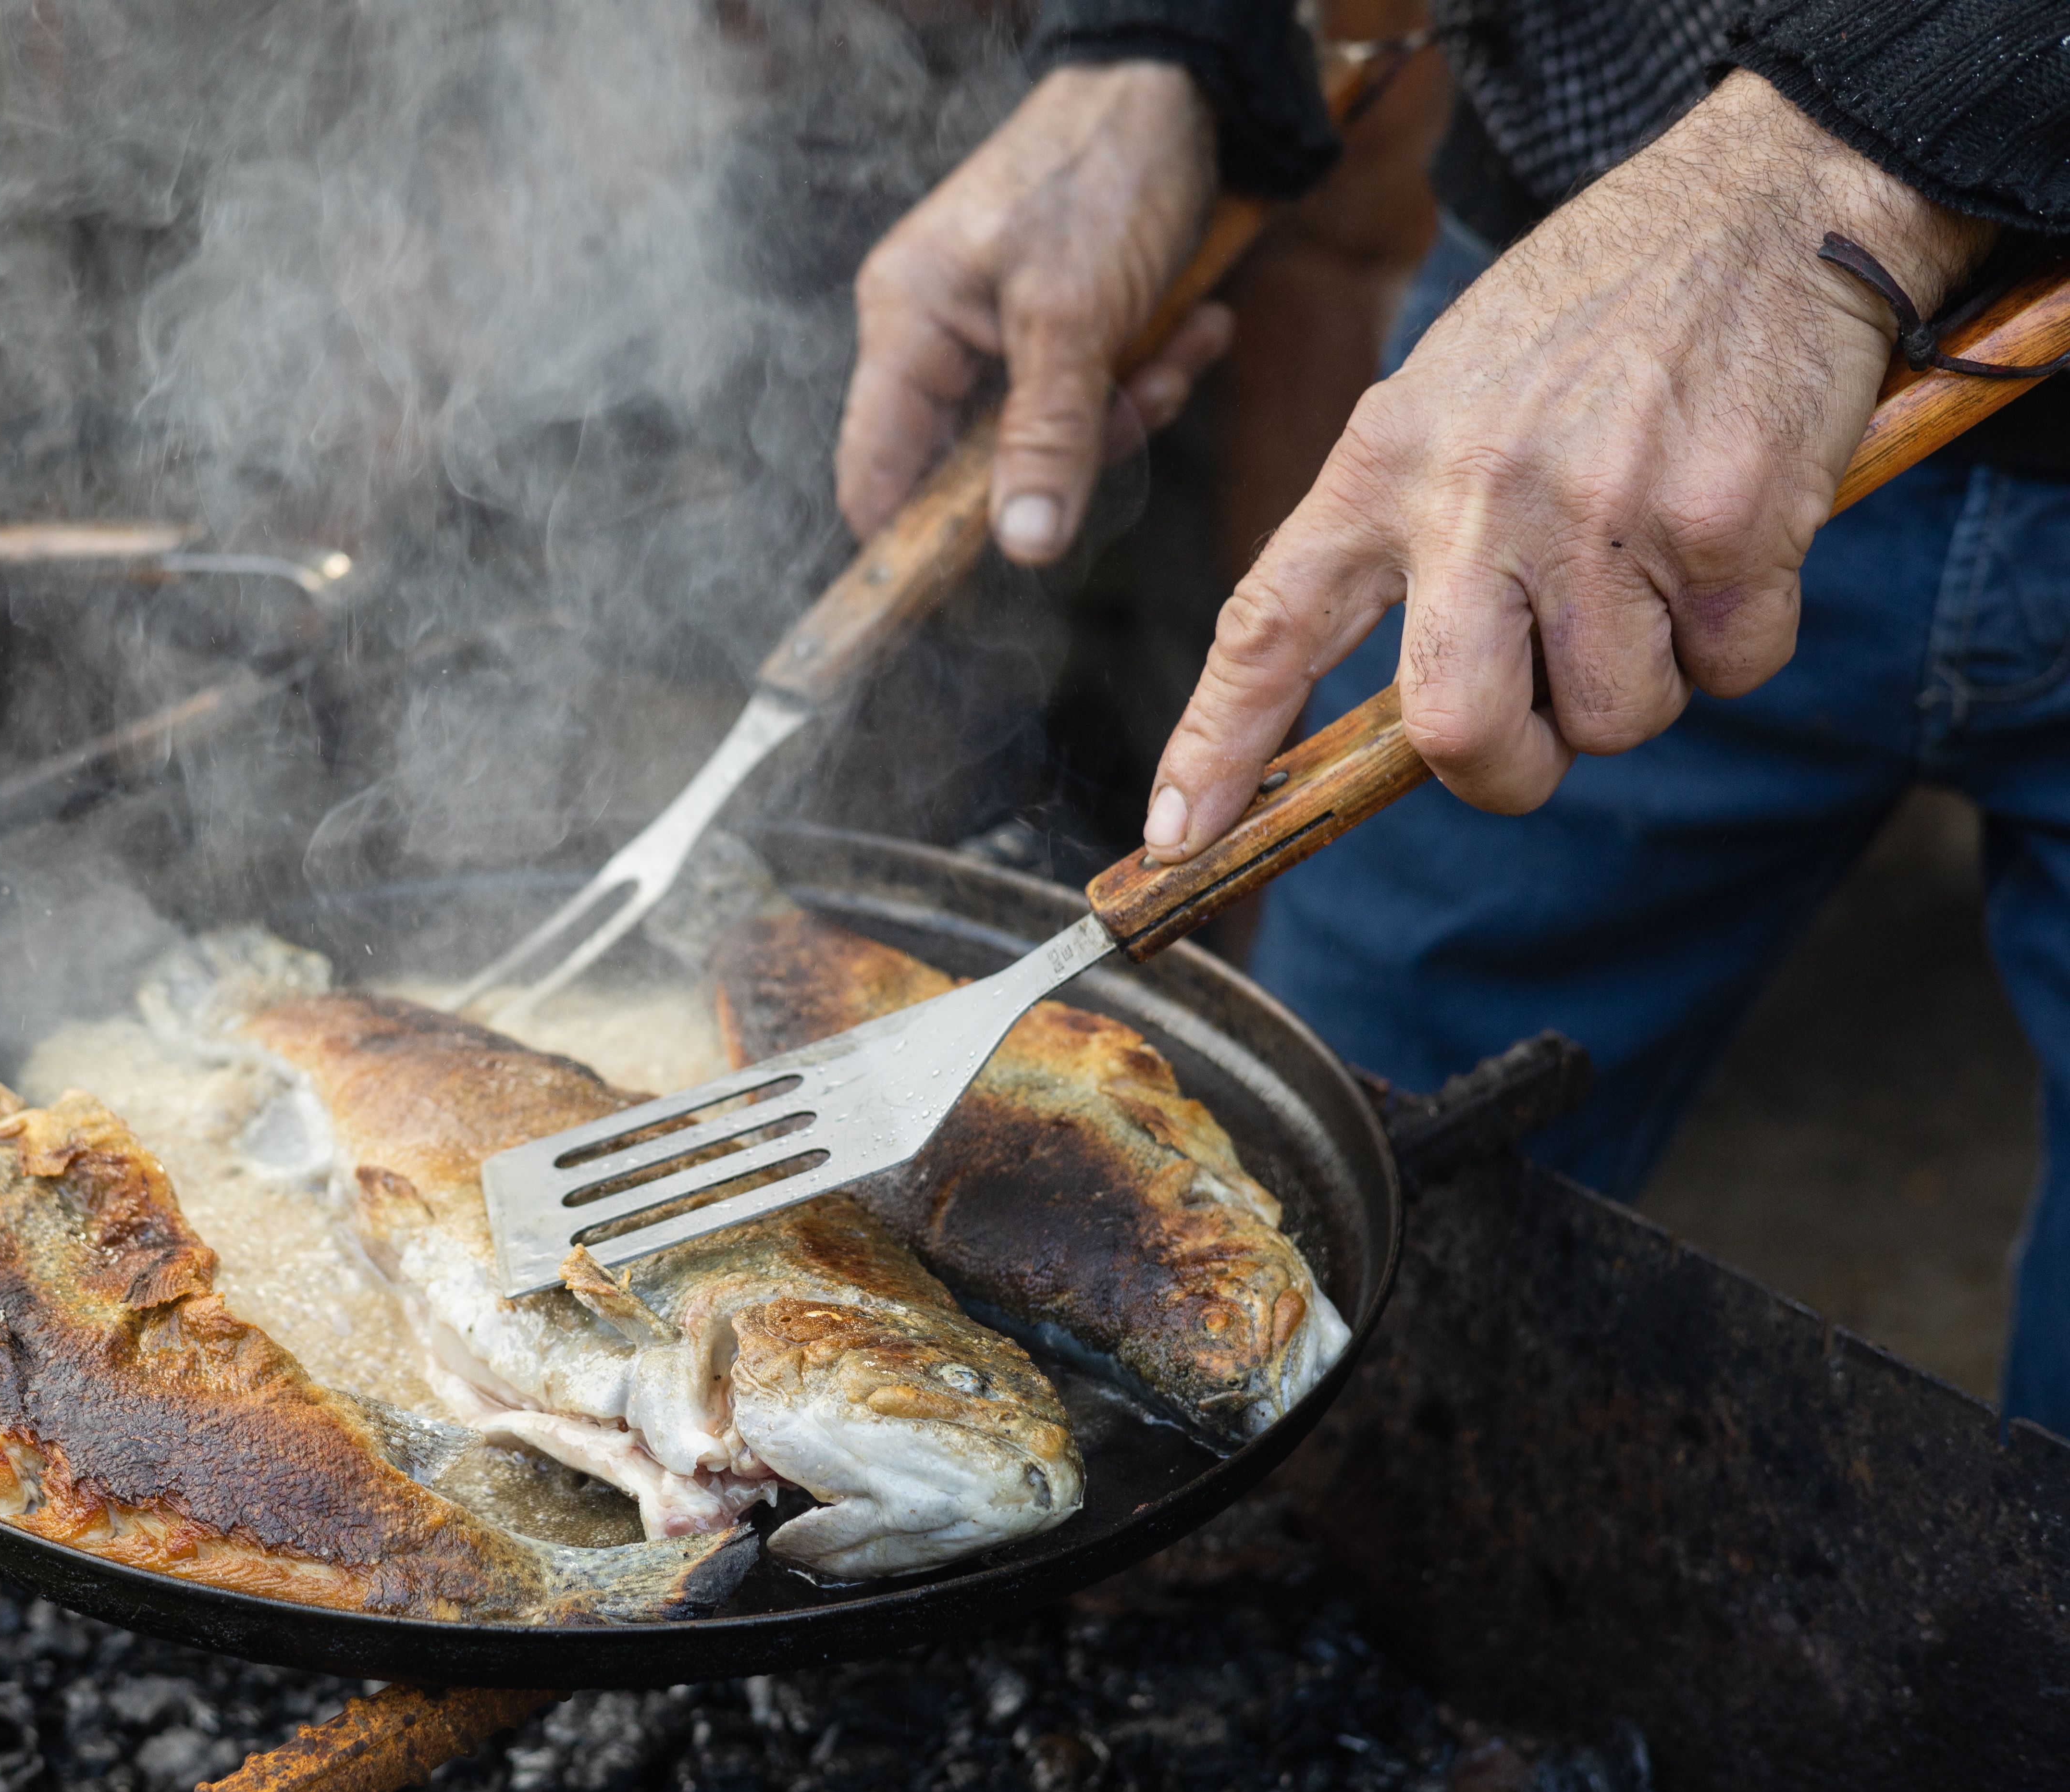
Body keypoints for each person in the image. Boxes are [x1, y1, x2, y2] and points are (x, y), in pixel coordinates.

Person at [835, 1, 2070, 1428]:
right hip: (1575, 409)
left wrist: (1833, 164)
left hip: (1709, 285)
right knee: (1310, 1265)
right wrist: (1170, 40)